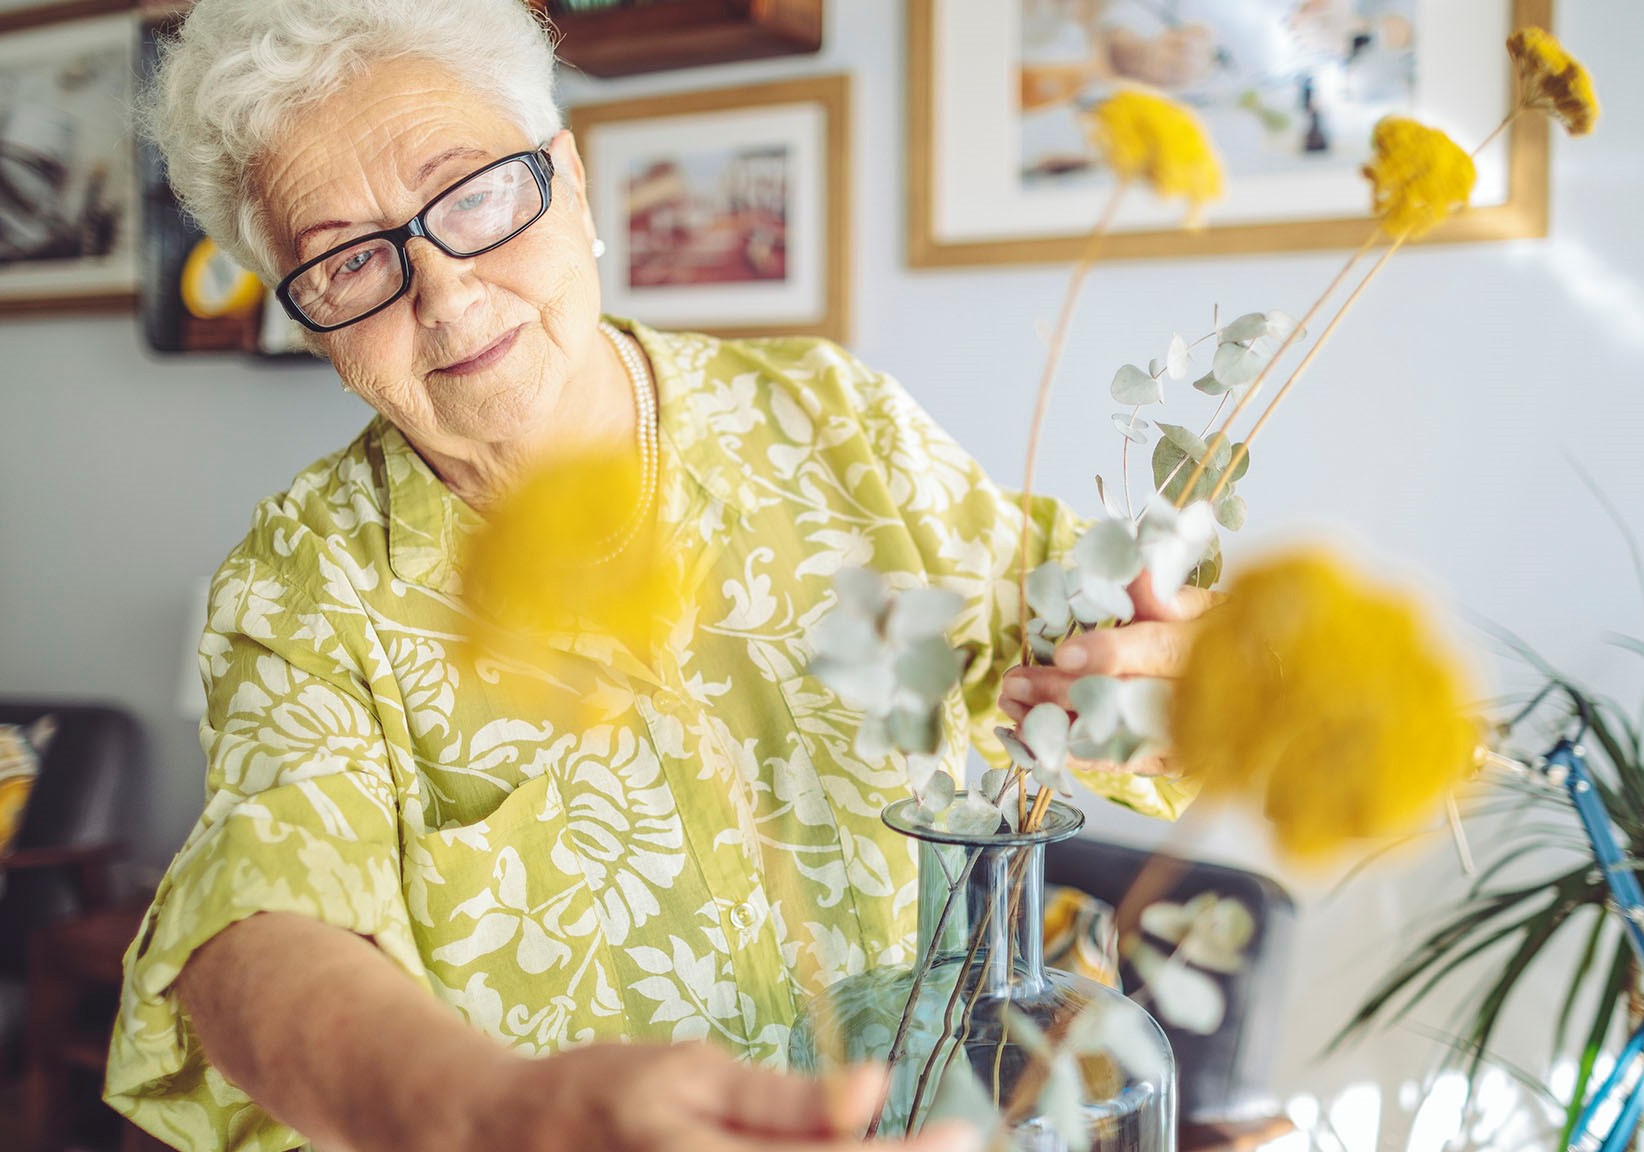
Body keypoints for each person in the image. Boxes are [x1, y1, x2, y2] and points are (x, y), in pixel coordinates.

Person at [105, 1, 1203, 1148]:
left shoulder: (833, 423)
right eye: (345, 260)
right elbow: (255, 926)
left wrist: (1170, 673)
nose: (444, 292)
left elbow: (1112, 646)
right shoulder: (305, 585)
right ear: (313, 325)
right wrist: (488, 1112)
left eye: (472, 194)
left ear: (568, 183)